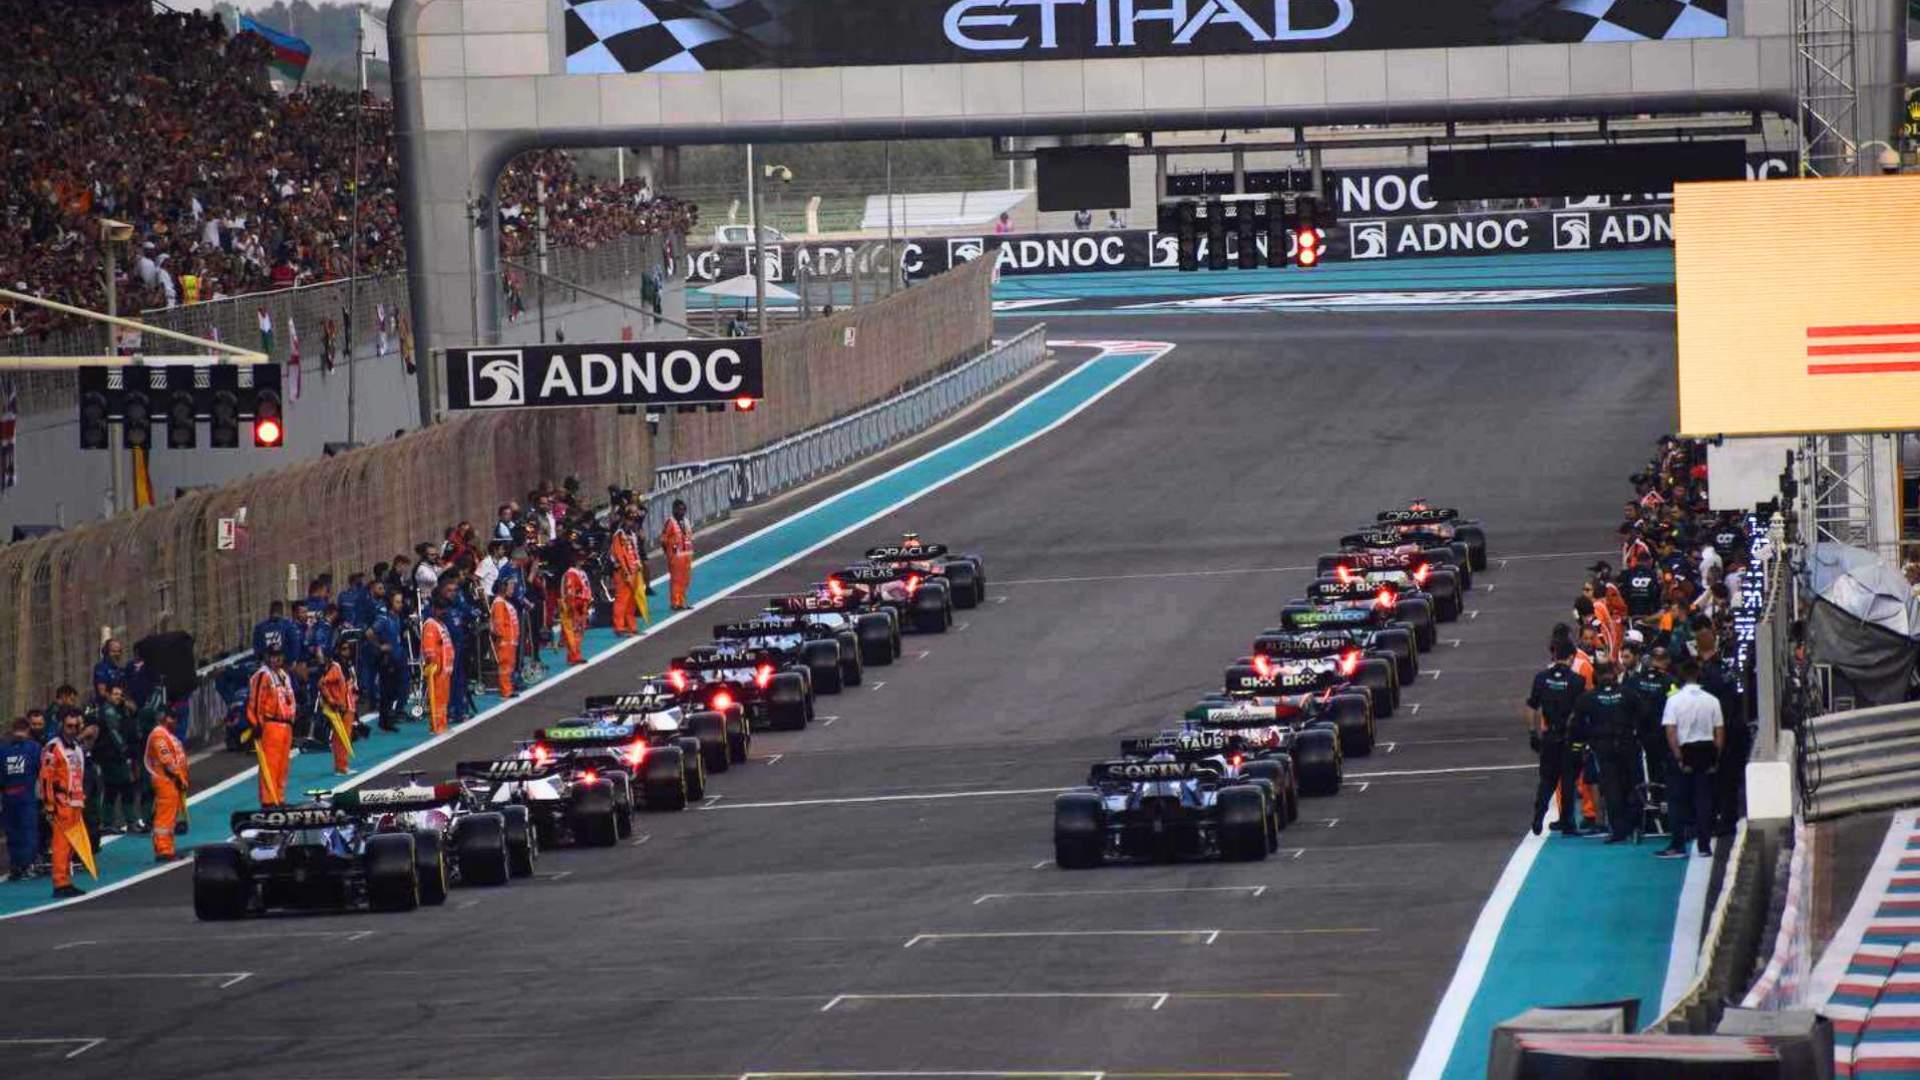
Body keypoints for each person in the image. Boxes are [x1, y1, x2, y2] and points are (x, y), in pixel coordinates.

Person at [1659, 657, 1725, 858]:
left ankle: (1678, 844)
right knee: (1703, 799)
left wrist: (1678, 756)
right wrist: (1716, 758)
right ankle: (1704, 845)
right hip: (1706, 749)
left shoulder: (1674, 700)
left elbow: (1671, 730)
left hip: (1684, 749)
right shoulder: (1712, 700)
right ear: (1699, 675)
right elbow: (1719, 731)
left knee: (1677, 799)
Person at [1527, 638, 1588, 835]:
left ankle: (1539, 815)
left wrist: (1533, 733)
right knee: (1568, 781)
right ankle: (1567, 822)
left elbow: (1531, 707)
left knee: (1547, 780)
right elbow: (1579, 712)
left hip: (1549, 736)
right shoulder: (1577, 681)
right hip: (1569, 738)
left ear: (1555, 655)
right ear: (1571, 657)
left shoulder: (1541, 678)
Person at [1573, 662, 1638, 843]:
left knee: (1611, 788)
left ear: (1597, 676)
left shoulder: (1588, 697)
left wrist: (1580, 745)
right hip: (1627, 746)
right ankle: (1634, 824)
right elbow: (1642, 715)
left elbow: (1577, 724)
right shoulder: (1628, 693)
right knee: (1630, 785)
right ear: (1613, 674)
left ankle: (1618, 830)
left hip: (1604, 748)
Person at [38, 710, 88, 898]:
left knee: (70, 845)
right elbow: (45, 778)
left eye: (76, 726)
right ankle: (60, 883)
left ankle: (66, 881)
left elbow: (78, 774)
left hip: (75, 803)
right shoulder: (53, 748)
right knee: (61, 844)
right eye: (69, 726)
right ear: (61, 725)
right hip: (61, 803)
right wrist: (49, 805)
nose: (73, 730)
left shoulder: (76, 747)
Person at [247, 648, 297, 806]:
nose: (277, 659)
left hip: (286, 725)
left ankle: (279, 799)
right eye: (273, 656)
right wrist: (255, 723)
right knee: (270, 764)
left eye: (279, 655)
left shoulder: (284, 675)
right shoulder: (263, 675)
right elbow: (255, 701)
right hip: (271, 724)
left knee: (283, 765)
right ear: (267, 657)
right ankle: (268, 801)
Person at [88, 686, 139, 835]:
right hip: (112, 755)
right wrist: (125, 750)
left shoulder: (120, 709)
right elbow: (114, 732)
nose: (118, 697)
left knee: (115, 788)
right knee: (122, 787)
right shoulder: (109, 711)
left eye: (120, 694)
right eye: (115, 694)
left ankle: (112, 822)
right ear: (109, 695)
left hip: (114, 755)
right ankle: (126, 821)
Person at [143, 708, 188, 863]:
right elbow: (167, 760)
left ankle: (168, 848)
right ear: (165, 718)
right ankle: (163, 850)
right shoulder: (159, 735)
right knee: (165, 818)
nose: (175, 721)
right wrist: (179, 778)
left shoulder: (167, 735)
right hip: (166, 780)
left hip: (171, 780)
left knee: (170, 818)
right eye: (172, 718)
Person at [2, 718, 41, 881]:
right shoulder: (34, 747)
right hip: (26, 795)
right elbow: (41, 770)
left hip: (7, 796)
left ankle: (15, 866)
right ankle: (27, 865)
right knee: (28, 831)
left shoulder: (3, 749)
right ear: (27, 730)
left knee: (12, 832)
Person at [317, 638, 358, 775]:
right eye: (344, 649)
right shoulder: (336, 667)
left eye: (348, 649)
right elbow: (322, 683)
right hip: (341, 707)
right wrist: (332, 701)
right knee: (341, 737)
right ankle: (341, 766)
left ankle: (341, 765)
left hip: (348, 705)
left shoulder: (346, 665)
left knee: (342, 736)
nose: (347, 652)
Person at [609, 512, 645, 636]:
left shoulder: (632, 535)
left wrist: (638, 566)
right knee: (622, 600)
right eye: (629, 520)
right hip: (622, 572)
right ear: (624, 520)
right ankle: (619, 627)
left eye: (633, 520)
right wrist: (627, 572)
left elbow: (635, 552)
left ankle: (631, 626)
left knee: (632, 601)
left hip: (634, 571)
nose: (631, 522)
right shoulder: (619, 535)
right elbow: (620, 556)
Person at [421, 603, 454, 735]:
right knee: (437, 698)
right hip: (437, 669)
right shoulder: (430, 625)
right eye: (440, 609)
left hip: (445, 669)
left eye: (444, 609)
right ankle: (436, 726)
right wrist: (435, 665)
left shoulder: (442, 625)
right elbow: (429, 649)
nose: (443, 612)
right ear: (434, 609)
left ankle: (442, 723)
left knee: (443, 699)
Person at [559, 552, 592, 666]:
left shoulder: (581, 572)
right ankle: (573, 656)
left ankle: (575, 655)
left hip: (582, 605)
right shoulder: (571, 573)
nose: (583, 561)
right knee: (574, 631)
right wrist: (573, 607)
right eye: (580, 558)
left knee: (579, 632)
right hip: (576, 606)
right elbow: (570, 592)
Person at [662, 498, 695, 611]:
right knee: (676, 579)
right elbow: (663, 539)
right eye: (680, 509)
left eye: (683, 509)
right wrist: (669, 553)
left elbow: (689, 537)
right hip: (676, 556)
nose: (682, 512)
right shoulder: (670, 522)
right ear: (674, 510)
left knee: (686, 580)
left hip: (687, 554)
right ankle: (675, 603)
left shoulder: (686, 521)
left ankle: (682, 601)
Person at [491, 578, 520, 698]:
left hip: (510, 640)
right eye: (510, 586)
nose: (512, 589)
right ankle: (506, 690)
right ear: (503, 588)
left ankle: (509, 687)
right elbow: (498, 623)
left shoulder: (504, 602)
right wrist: (503, 639)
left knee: (509, 666)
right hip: (505, 641)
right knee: (505, 666)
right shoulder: (499, 603)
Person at [92, 638, 127, 704]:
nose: (117, 654)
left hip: (120, 703)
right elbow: (102, 692)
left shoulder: (120, 669)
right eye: (113, 652)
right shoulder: (101, 667)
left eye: (119, 651)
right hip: (105, 704)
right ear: (106, 652)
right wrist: (116, 700)